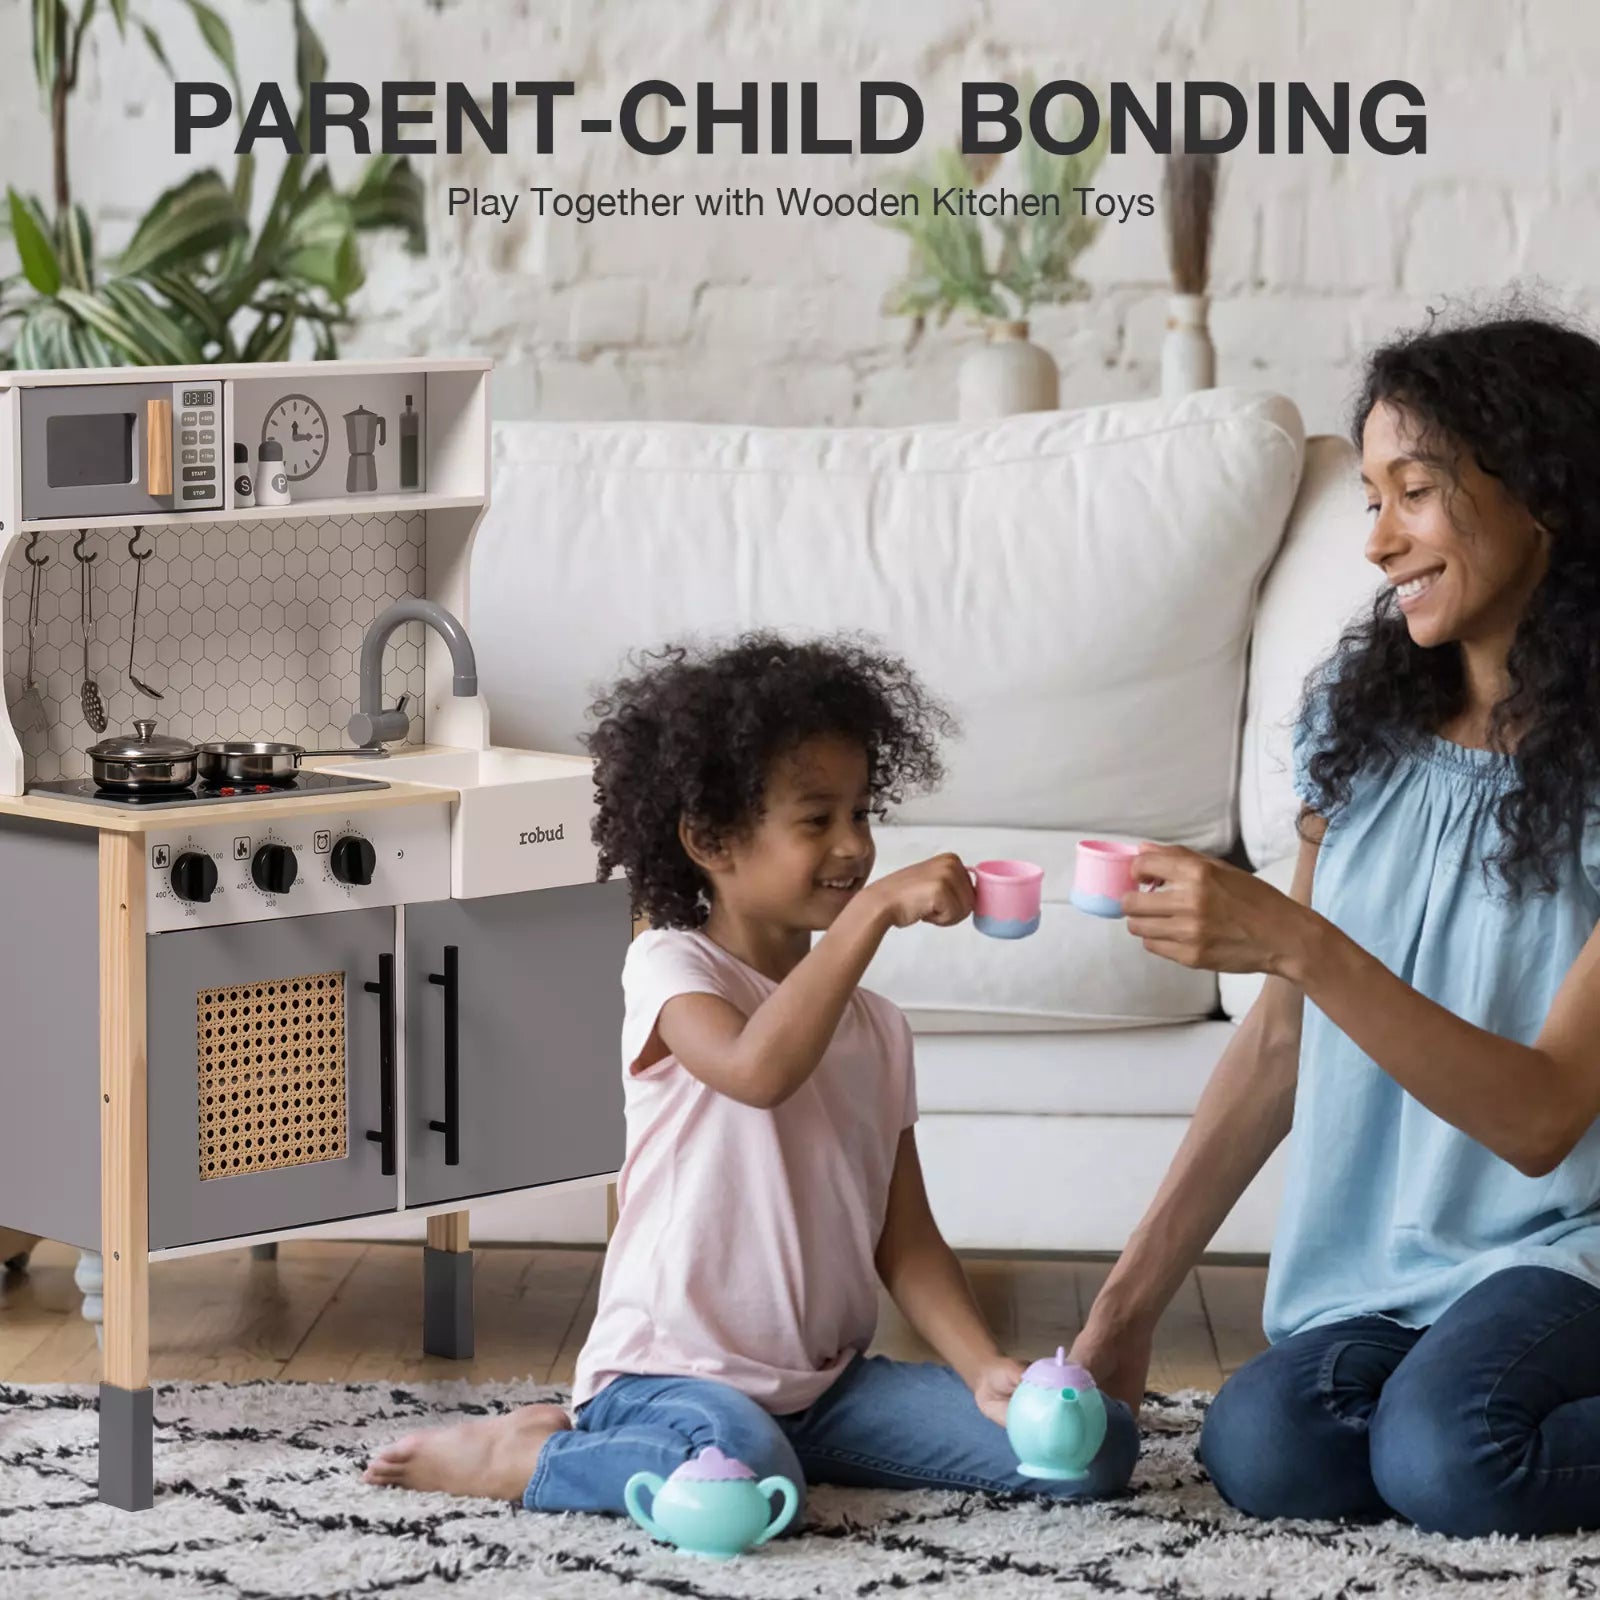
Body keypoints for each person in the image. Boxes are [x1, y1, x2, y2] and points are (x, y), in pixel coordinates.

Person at [366, 632, 1138, 1513]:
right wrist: (878, 911)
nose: (853, 847)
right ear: (710, 840)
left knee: (1087, 1451)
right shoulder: (671, 968)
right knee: (744, 1484)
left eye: (860, 814)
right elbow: (756, 1068)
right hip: (668, 1376)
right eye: (818, 820)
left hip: (829, 1389)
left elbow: (907, 1238)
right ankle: (522, 1455)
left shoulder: (877, 1028)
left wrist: (983, 1371)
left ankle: (755, 1453)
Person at [1070, 310, 1600, 1538]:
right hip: (1386, 1275)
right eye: (1368, 497)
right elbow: (1275, 1047)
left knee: (1450, 1455)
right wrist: (1127, 1306)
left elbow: (1541, 1117)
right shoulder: (1358, 739)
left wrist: (1293, 941)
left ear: (1544, 494)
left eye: (1412, 493)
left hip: (1566, 1247)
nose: (1376, 540)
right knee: (1261, 1444)